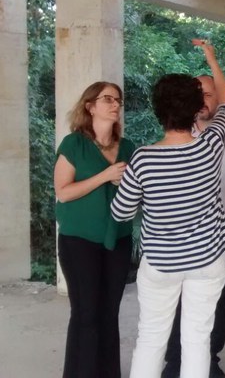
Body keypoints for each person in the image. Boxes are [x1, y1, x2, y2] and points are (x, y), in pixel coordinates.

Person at [111, 40, 225, 378]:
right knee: (197, 340)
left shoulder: (143, 159)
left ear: (158, 110)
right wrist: (211, 59)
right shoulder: (211, 146)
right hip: (207, 260)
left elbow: (121, 213)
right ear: (197, 109)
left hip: (161, 264)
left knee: (151, 339)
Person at [162, 75, 225, 378]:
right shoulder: (175, 135)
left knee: (219, 293)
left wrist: (224, 212)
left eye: (209, 94)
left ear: (221, 100)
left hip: (224, 229)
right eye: (198, 94)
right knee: (176, 291)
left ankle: (209, 358)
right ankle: (175, 360)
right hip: (181, 229)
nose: (203, 100)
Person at [54, 81, 136, 378]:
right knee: (86, 314)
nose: (115, 104)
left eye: (118, 100)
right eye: (108, 99)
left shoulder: (127, 147)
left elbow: (137, 195)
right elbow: (63, 192)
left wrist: (124, 184)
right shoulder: (73, 144)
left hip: (118, 239)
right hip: (79, 241)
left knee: (109, 313)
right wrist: (105, 176)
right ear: (90, 106)